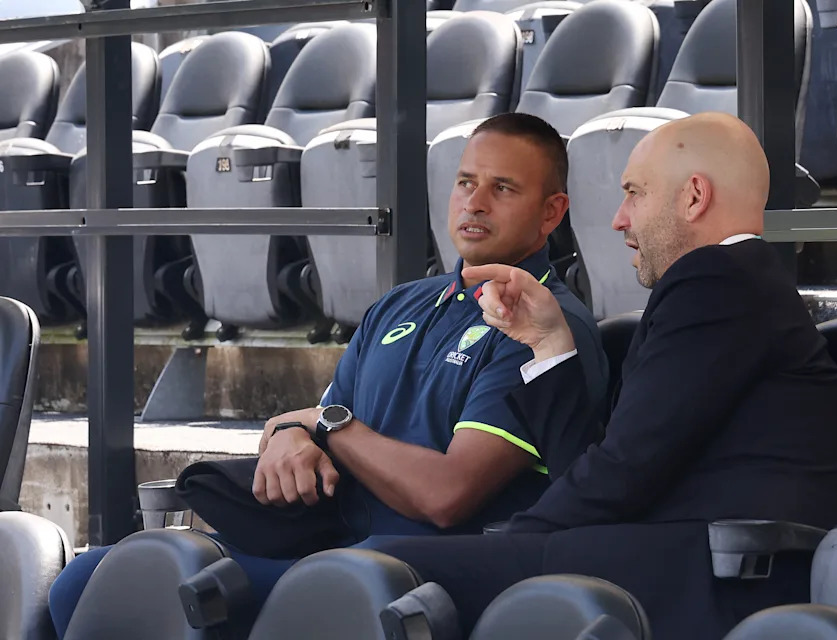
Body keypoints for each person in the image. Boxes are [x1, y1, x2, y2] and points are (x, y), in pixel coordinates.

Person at [46, 113, 609, 638]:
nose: (475, 202)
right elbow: (312, 424)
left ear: (551, 212)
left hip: (411, 572)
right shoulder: (401, 304)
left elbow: (445, 495)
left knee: (151, 590)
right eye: (465, 182)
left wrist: (325, 425)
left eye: (503, 188)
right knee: (85, 579)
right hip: (321, 541)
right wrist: (290, 437)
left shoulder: (543, 327)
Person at [371, 112, 837, 638]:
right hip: (670, 558)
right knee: (393, 567)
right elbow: (606, 466)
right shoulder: (731, 285)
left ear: (694, 196)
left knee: (386, 571)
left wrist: (512, 540)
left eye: (634, 194)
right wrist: (549, 344)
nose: (619, 220)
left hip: (715, 578)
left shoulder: (718, 281)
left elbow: (623, 471)